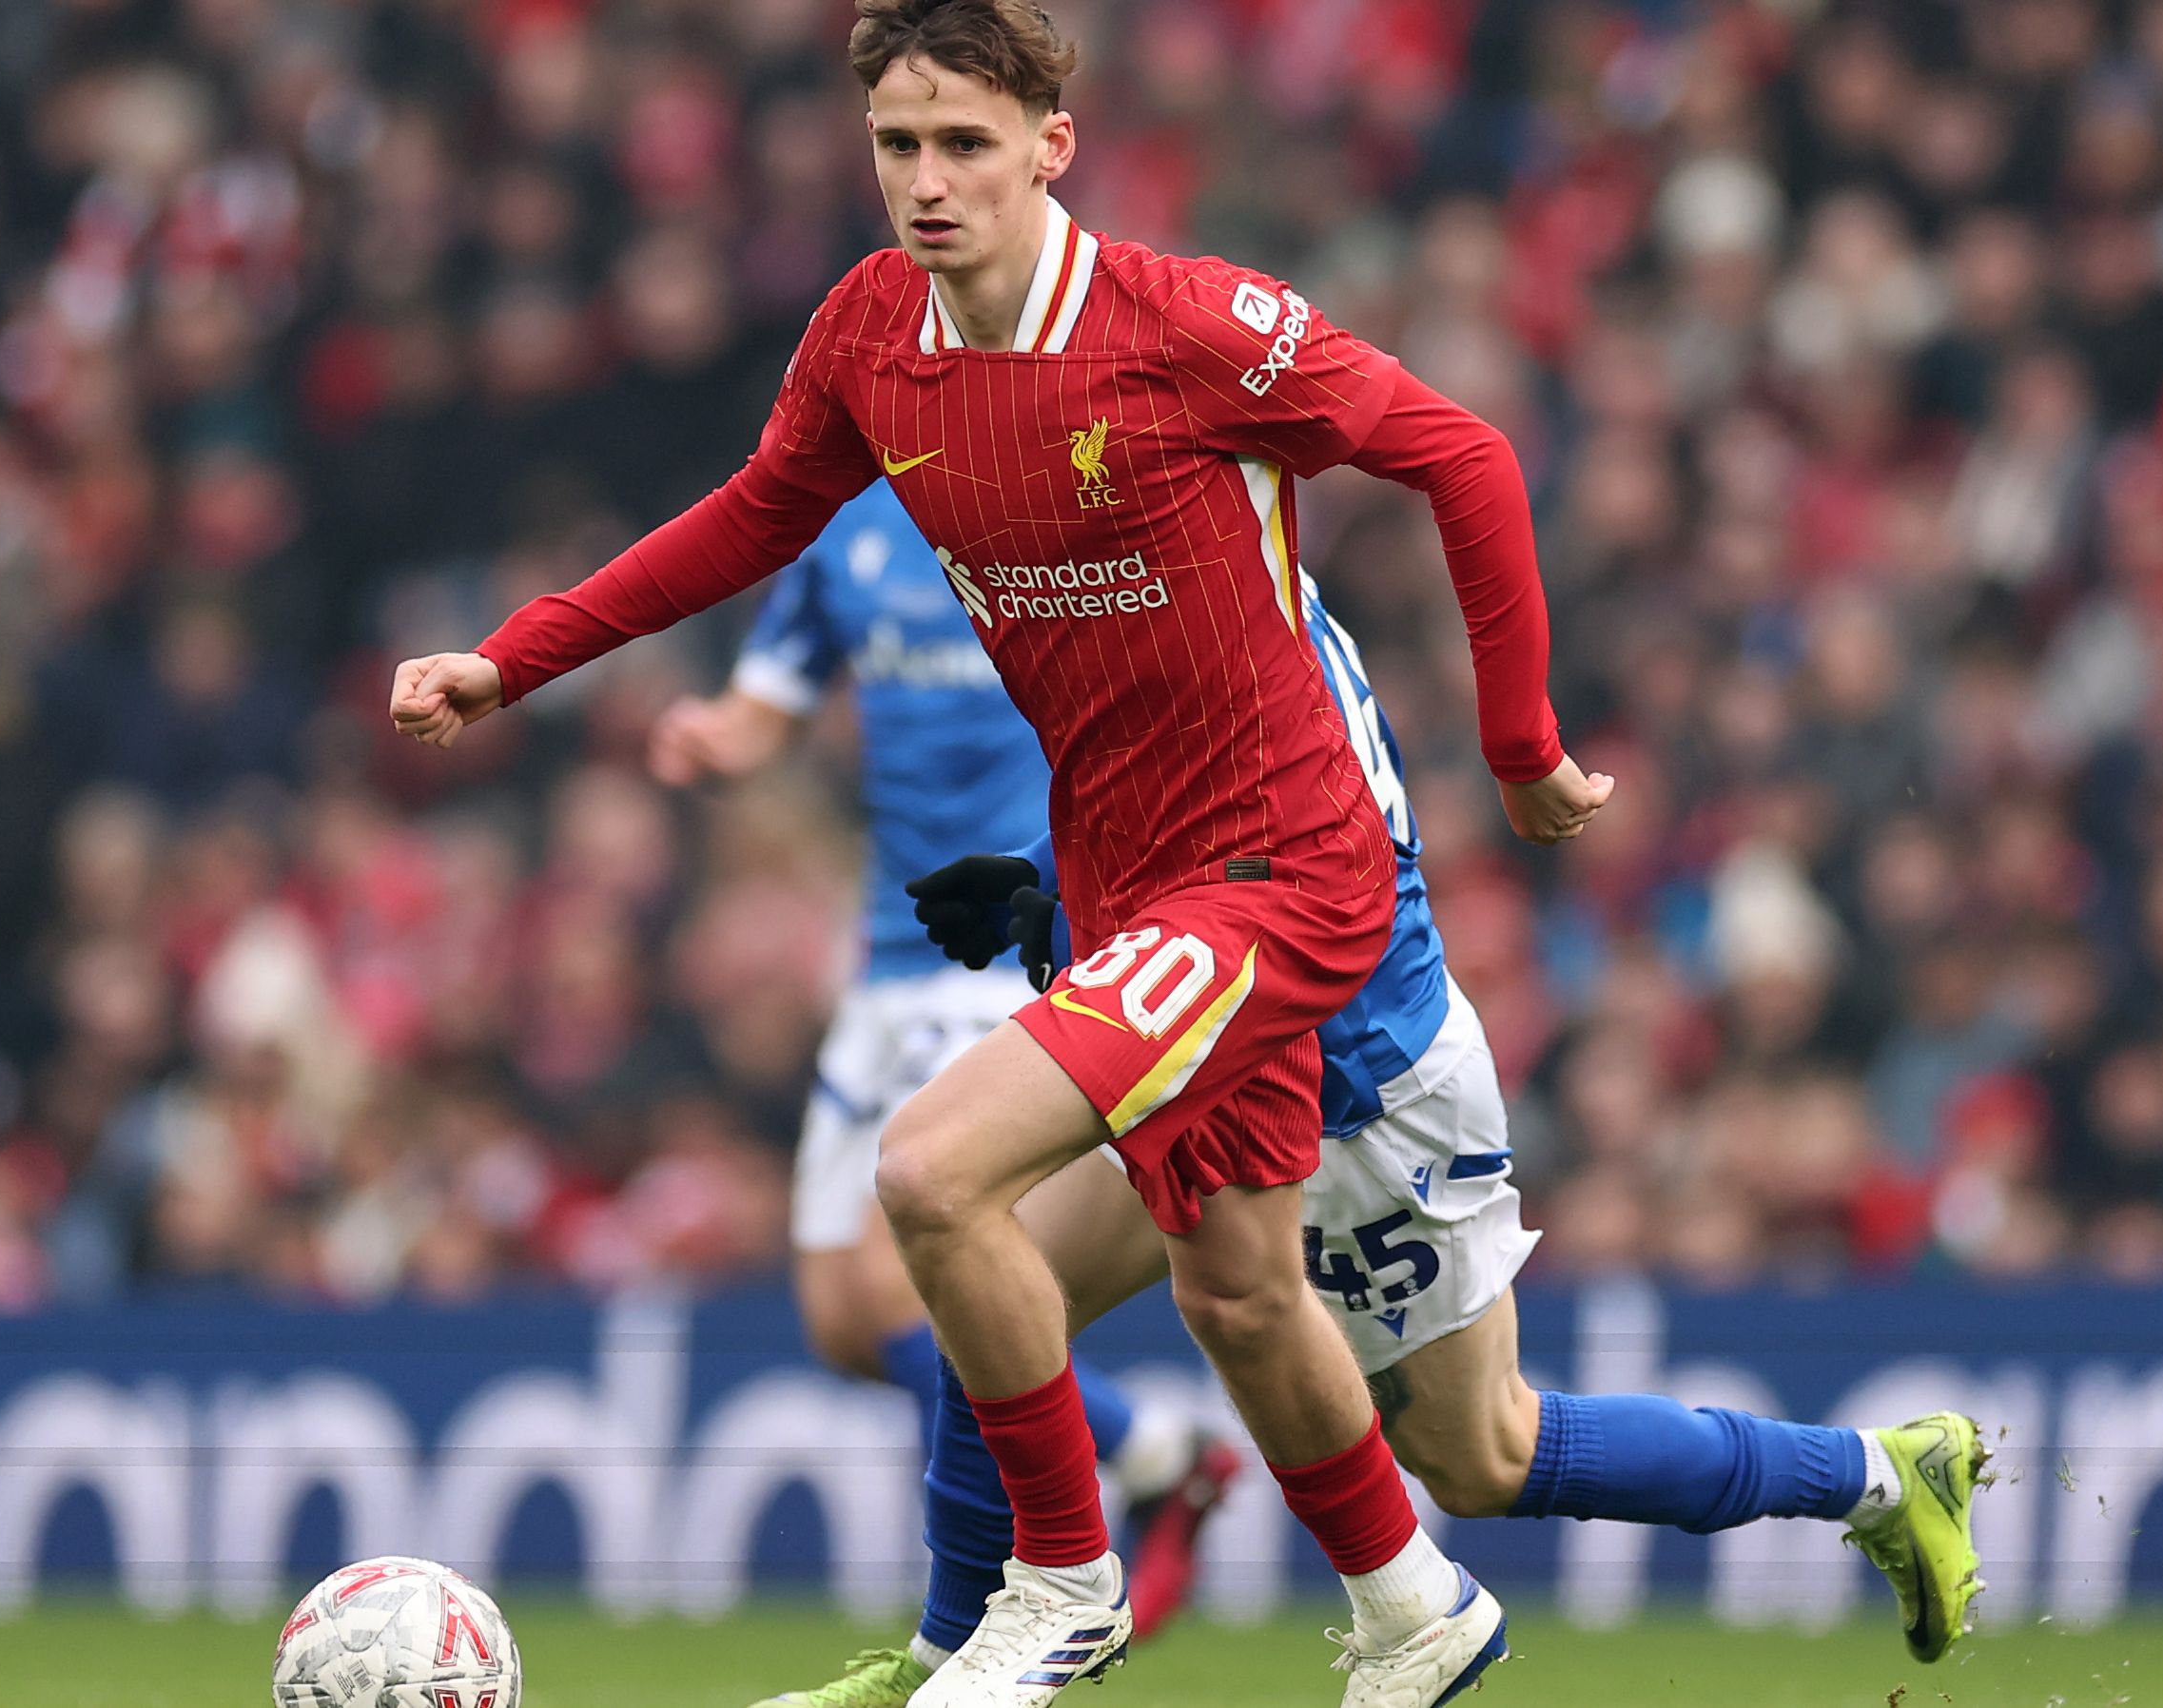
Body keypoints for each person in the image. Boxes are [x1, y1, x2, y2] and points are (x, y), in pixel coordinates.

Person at [396, 4, 1590, 1699]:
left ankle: (1060, 1579)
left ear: (1052, 144)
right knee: (1241, 1293)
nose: (927, 181)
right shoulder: (872, 335)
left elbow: (1461, 456)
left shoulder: (1189, 327)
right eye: (898, 145)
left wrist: (1523, 754)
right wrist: (513, 657)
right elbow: (749, 515)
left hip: (1275, 870)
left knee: (932, 1176)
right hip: (1127, 881)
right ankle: (1417, 1610)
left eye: (964, 143)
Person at [764, 581, 1990, 1708]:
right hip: (1231, 1037)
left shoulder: (1216, 602)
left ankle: (1875, 1473)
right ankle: (951, 1643)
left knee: (1480, 1450)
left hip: (1355, 1076)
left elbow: (1275, 853)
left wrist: (1067, 896)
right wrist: (1048, 877)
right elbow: (1188, 823)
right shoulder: (1218, 574)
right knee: (995, 1273)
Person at [648, 480, 1241, 1647]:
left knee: (897, 1283)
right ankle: (1159, 1450)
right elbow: (765, 707)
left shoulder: (1059, 510)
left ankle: (1054, 1548)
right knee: (840, 1317)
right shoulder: (841, 538)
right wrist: (712, 737)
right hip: (886, 956)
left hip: (1008, 936)